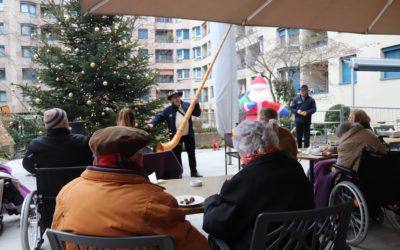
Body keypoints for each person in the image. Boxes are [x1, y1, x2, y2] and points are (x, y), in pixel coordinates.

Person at [52, 126, 210, 250]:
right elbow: (195, 246)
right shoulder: (155, 201)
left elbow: (60, 237)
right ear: (139, 159)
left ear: (96, 157)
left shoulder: (67, 191)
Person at [203, 120, 314, 250]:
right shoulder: (295, 167)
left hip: (265, 245)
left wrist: (211, 200)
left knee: (216, 239)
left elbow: (216, 224)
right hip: (301, 244)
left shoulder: (248, 178)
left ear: (243, 149)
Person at [147, 91, 202, 177]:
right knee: (177, 155)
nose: (176, 98)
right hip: (176, 137)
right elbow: (159, 117)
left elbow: (197, 113)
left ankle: (194, 172)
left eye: (178, 96)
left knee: (191, 154)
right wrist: (152, 123)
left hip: (188, 135)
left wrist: (197, 104)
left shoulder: (187, 105)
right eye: (174, 97)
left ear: (180, 97)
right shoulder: (168, 110)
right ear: (171, 100)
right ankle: (179, 173)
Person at [23, 108, 93, 174]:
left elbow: (27, 165)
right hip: (79, 185)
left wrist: (41, 174)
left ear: (46, 124)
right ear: (65, 122)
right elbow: (93, 163)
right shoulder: (83, 141)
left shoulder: (36, 144)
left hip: (48, 185)